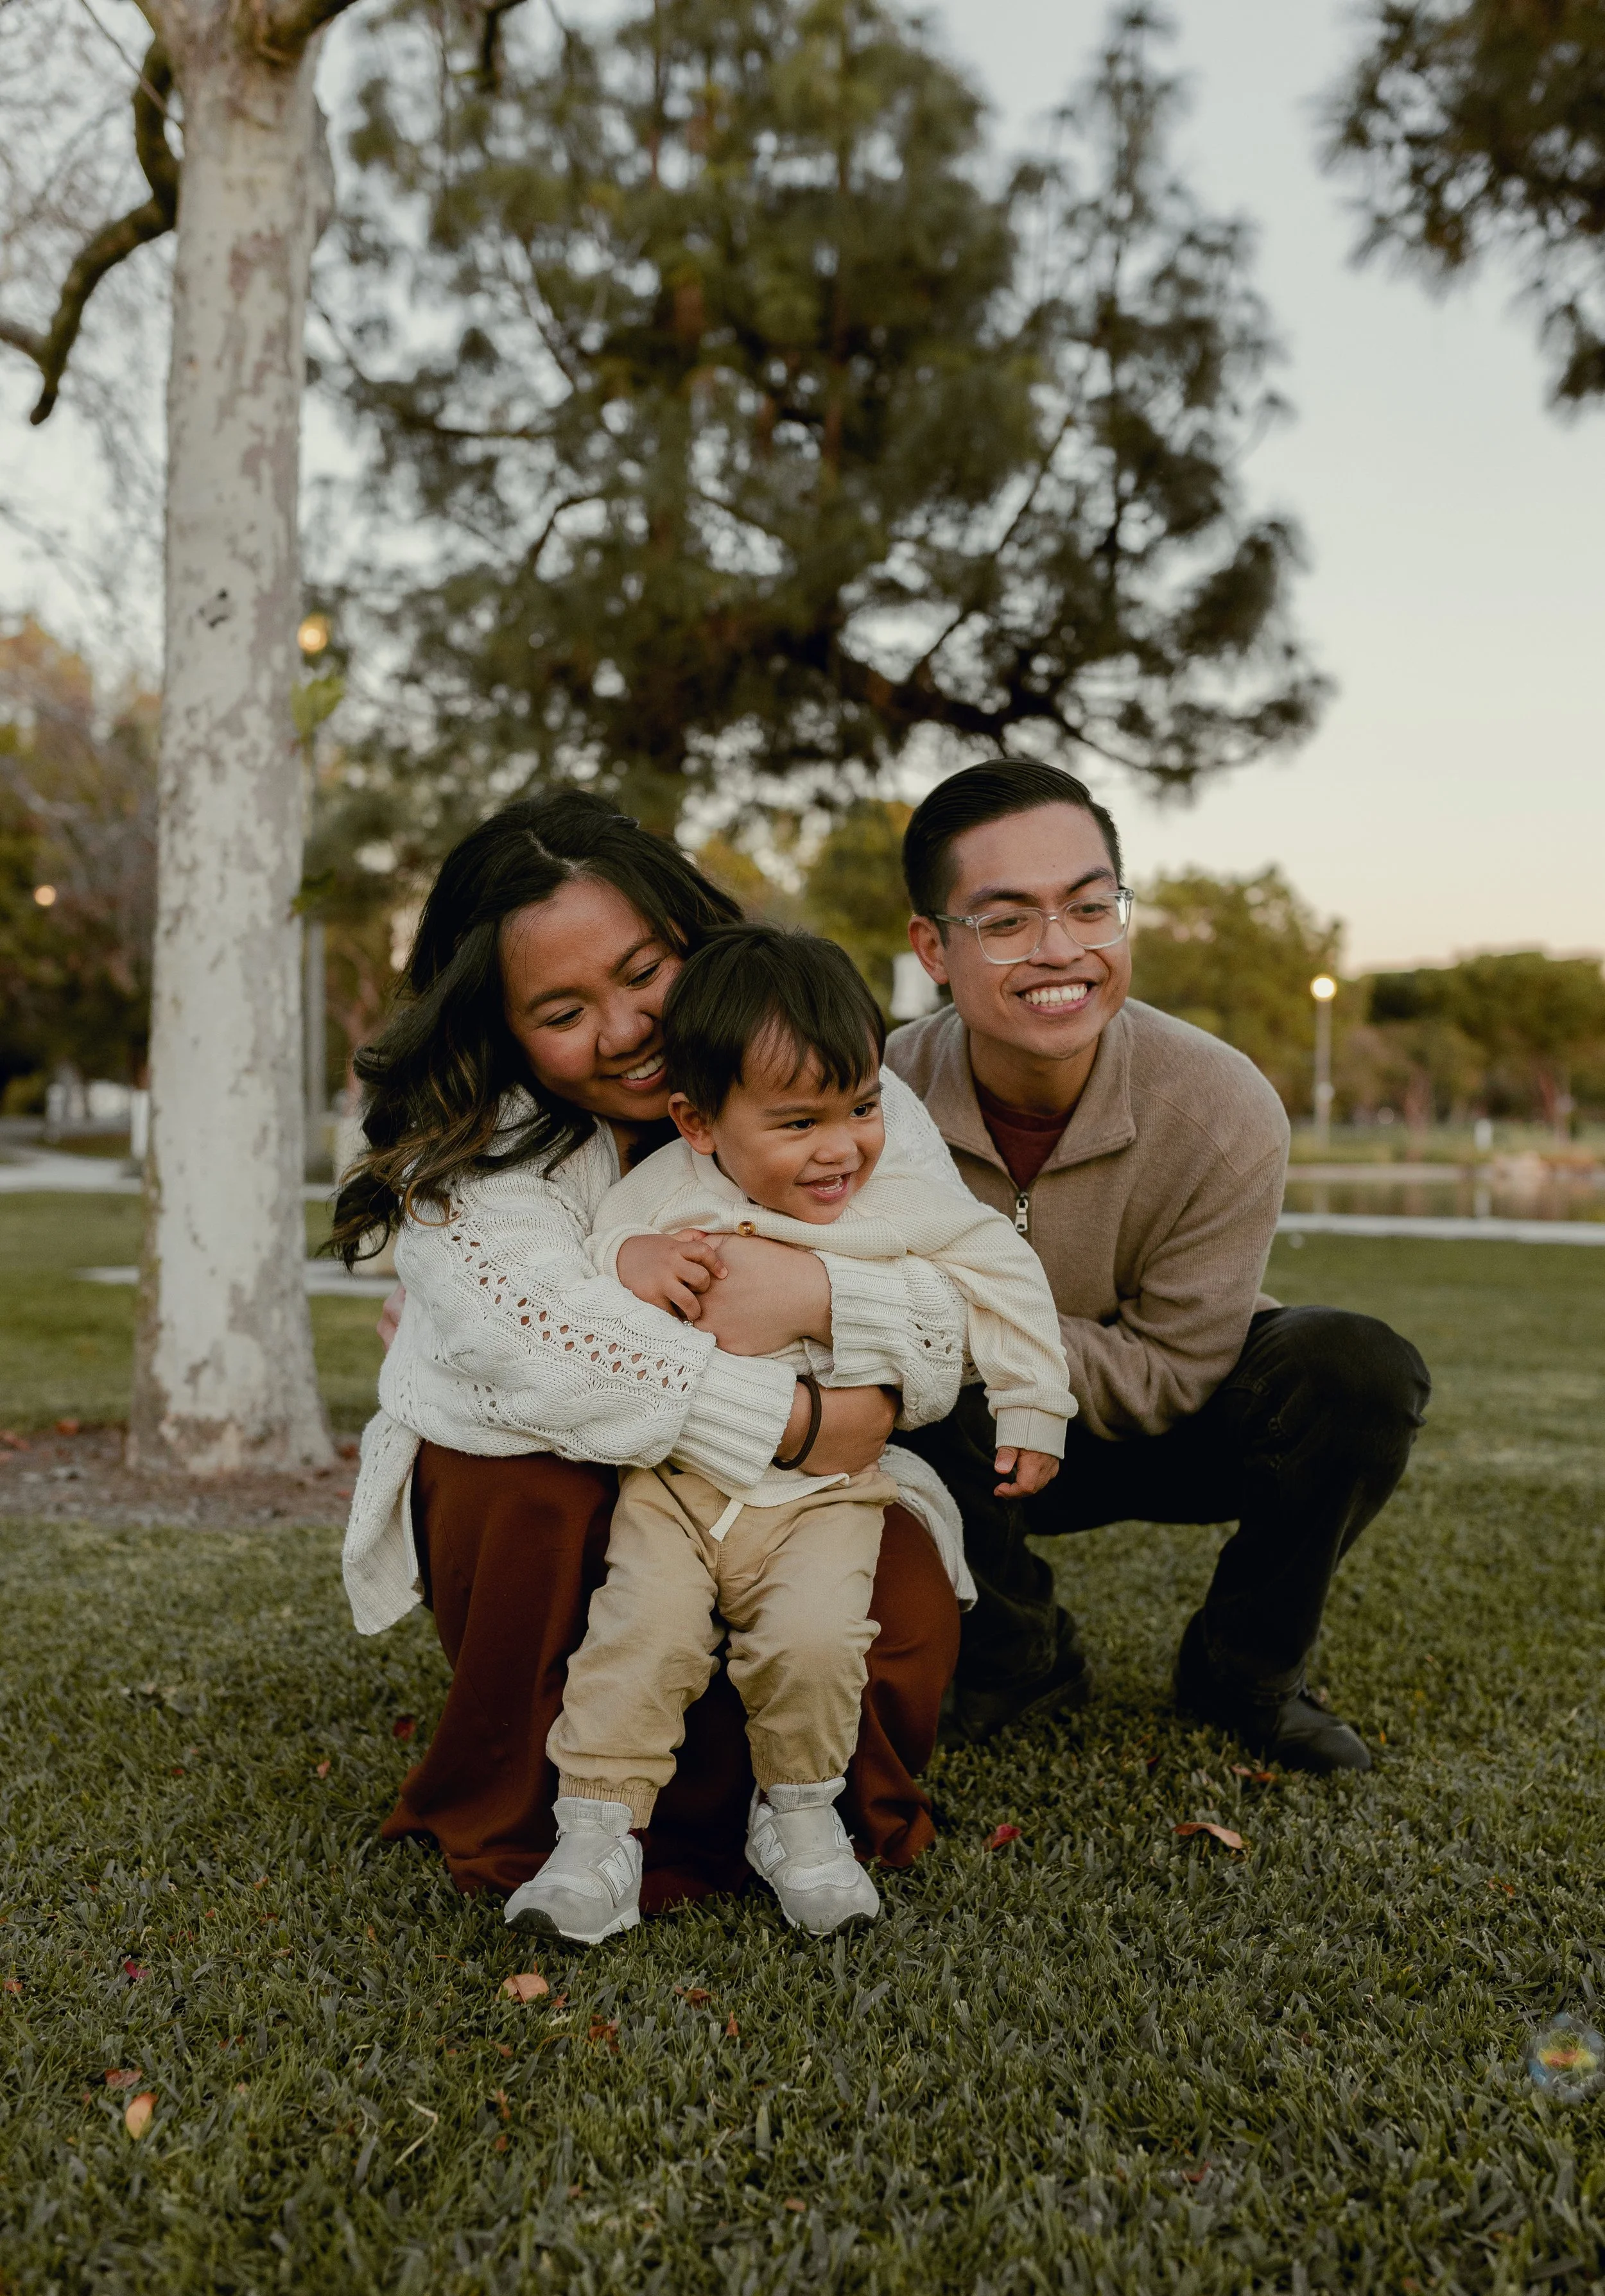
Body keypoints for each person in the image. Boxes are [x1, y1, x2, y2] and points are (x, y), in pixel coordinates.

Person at [334, 790, 971, 1910]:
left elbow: (948, 1306)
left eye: (642, 973)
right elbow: (536, 1341)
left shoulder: (822, 1068)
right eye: (564, 1008)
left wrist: (811, 1290)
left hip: (786, 1500)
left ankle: (792, 1817)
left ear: (691, 935)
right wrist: (804, 1418)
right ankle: (573, 1824)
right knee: (536, 1500)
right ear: (496, 1020)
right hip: (578, 1480)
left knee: (898, 1606)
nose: (625, 1029)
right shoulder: (473, 1145)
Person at [514, 926, 1073, 1944]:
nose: (840, 1146)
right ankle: (596, 1836)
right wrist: (631, 1257)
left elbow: (1002, 1275)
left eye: (861, 1106)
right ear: (697, 1121)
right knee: (640, 1637)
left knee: (816, 1644)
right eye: (799, 1120)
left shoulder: (895, 1196)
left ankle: (801, 1818)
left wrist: (1038, 1405)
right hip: (677, 1488)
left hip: (826, 1495)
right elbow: (581, 1267)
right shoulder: (662, 1194)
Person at [889, 761, 1432, 1773]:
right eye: (1006, 921)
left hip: (1168, 1421)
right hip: (962, 1433)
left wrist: (974, 1330)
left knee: (1356, 1367)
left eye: (1092, 908)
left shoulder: (1223, 1104)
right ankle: (1017, 1653)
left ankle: (1245, 1666)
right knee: (897, 1372)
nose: (1063, 950)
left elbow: (1177, 1367)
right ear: (933, 947)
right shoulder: (874, 1099)